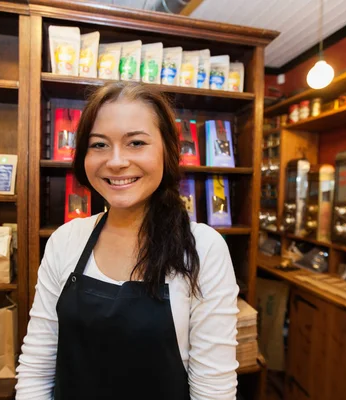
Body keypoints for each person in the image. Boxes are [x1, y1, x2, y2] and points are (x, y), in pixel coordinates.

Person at [15, 81, 240, 400]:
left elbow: (213, 391)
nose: (116, 161)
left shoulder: (202, 249)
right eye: (99, 145)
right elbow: (37, 368)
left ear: (167, 150)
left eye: (136, 143)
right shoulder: (66, 240)